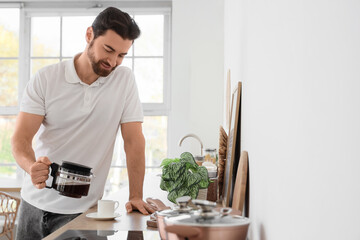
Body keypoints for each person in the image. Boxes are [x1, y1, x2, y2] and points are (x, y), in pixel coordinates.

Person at [11, 7, 155, 239]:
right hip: (32, 208)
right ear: (89, 35)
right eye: (108, 50)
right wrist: (31, 167)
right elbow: (20, 139)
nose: (113, 61)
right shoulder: (46, 79)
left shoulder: (124, 81)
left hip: (84, 215)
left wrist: (135, 195)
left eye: (121, 55)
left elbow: (133, 141)